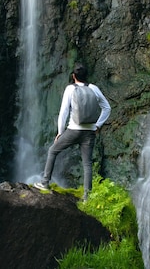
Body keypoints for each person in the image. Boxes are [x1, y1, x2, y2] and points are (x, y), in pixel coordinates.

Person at [34, 63, 111, 201]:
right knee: (87, 164)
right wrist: (98, 125)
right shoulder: (94, 88)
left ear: (73, 76)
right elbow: (107, 108)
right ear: (86, 76)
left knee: (53, 151)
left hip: (73, 130)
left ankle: (45, 183)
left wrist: (60, 132)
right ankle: (87, 197)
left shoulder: (70, 89)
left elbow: (64, 112)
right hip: (89, 132)